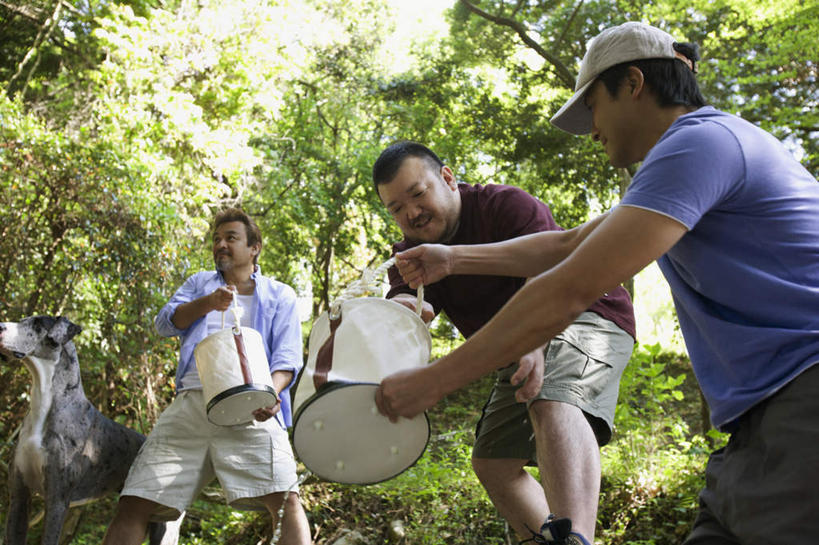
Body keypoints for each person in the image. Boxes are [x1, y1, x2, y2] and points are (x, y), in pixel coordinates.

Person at [377, 22, 819, 544]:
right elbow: (567, 245)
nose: (592, 129)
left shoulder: (700, 144)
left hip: (803, 396)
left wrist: (433, 381)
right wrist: (451, 259)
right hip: (756, 427)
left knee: (554, 394)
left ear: (633, 83)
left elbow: (567, 287)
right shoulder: (681, 160)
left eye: (593, 109)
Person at [372, 141, 636, 545]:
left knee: (551, 398)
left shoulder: (505, 204)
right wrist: (406, 313)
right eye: (395, 208)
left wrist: (533, 339)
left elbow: (549, 269)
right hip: (514, 345)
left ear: (446, 178)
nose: (410, 212)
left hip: (584, 314)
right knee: (493, 462)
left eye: (417, 194)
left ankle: (574, 538)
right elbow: (407, 302)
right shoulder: (410, 254)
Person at [103, 207, 312, 545]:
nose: (221, 245)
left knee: (286, 501)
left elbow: (287, 359)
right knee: (134, 501)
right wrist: (208, 303)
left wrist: (270, 395)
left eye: (231, 237)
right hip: (189, 408)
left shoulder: (280, 294)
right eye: (217, 239)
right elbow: (165, 324)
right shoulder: (199, 283)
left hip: (254, 410)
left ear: (254, 247)